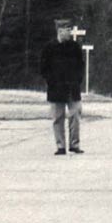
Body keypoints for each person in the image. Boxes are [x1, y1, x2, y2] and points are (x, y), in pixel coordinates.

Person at [40, 20, 86, 155]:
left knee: (75, 115)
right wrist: (51, 81)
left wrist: (78, 80)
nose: (70, 33)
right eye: (67, 30)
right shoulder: (49, 48)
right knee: (58, 118)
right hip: (56, 88)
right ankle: (60, 146)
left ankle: (74, 144)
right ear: (60, 31)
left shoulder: (75, 47)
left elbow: (80, 66)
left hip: (73, 88)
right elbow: (43, 68)